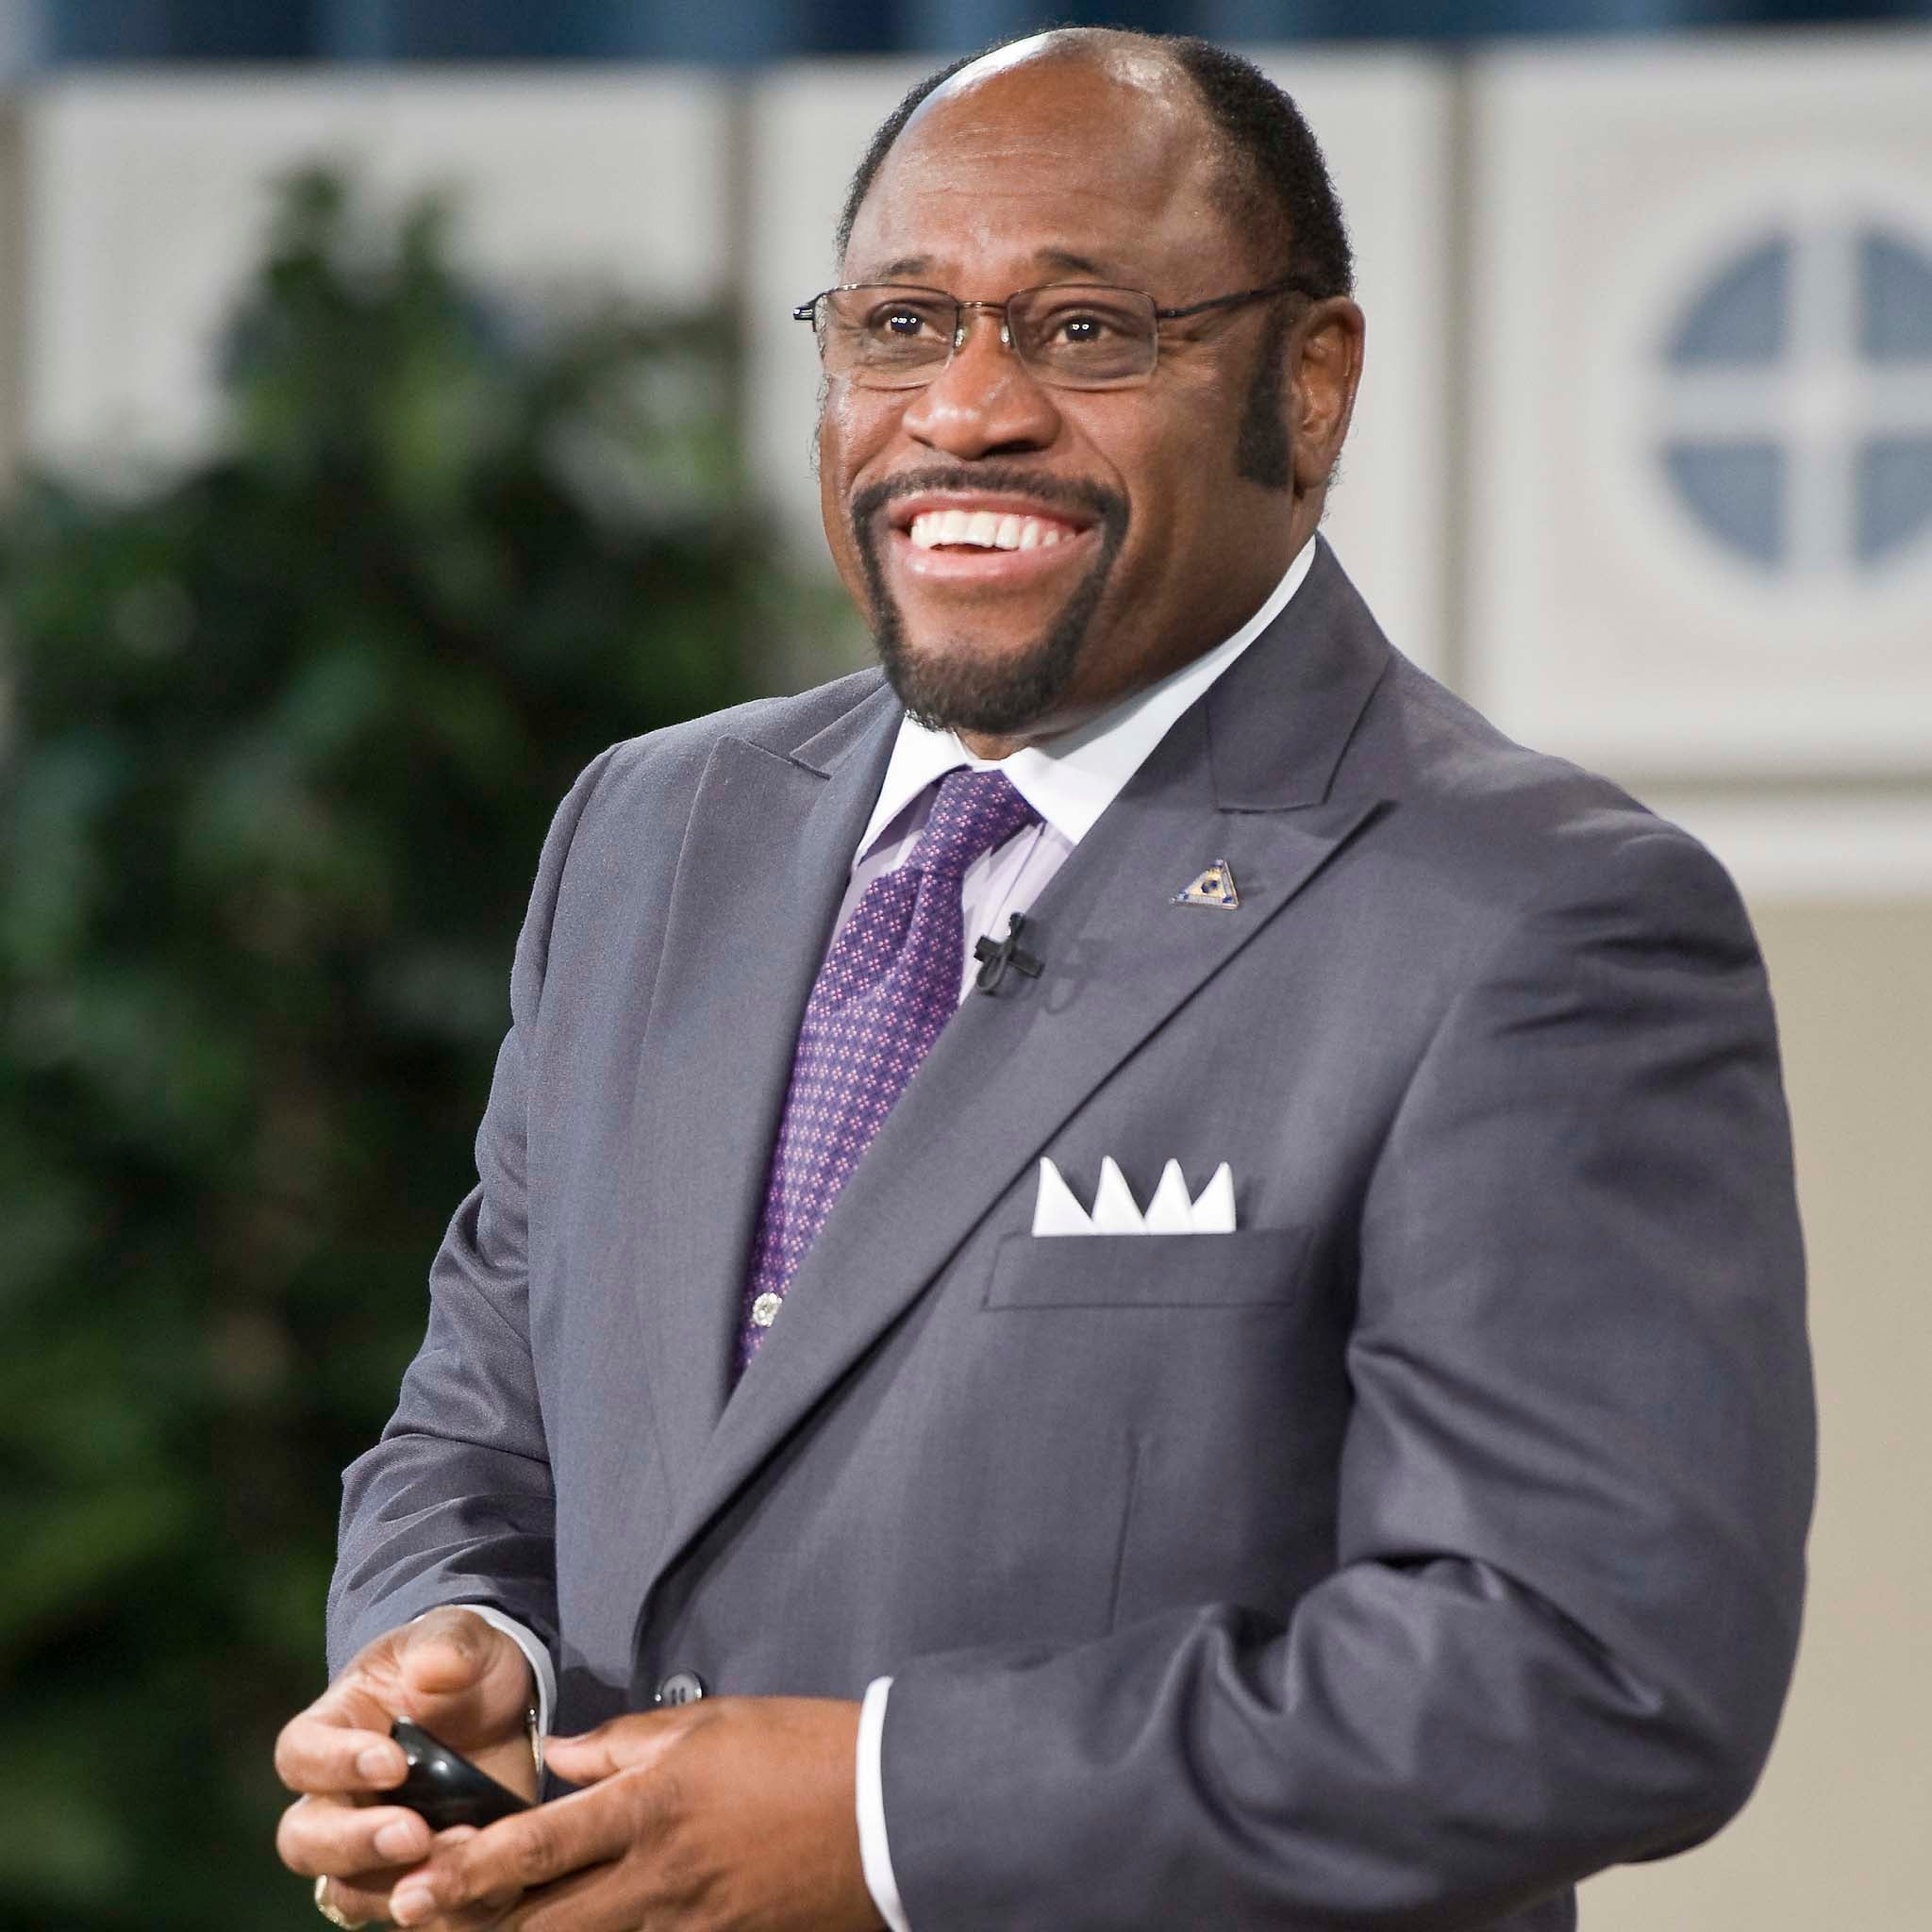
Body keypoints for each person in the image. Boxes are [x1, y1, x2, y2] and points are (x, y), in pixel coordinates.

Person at [275, 27, 1814, 1932]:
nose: (966, 411)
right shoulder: (652, 832)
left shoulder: (1531, 919)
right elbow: (484, 1414)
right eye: (900, 323)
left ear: (1307, 384)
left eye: (1084, 330)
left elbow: (1590, 1672)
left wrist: (887, 1810)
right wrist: (453, 1647)